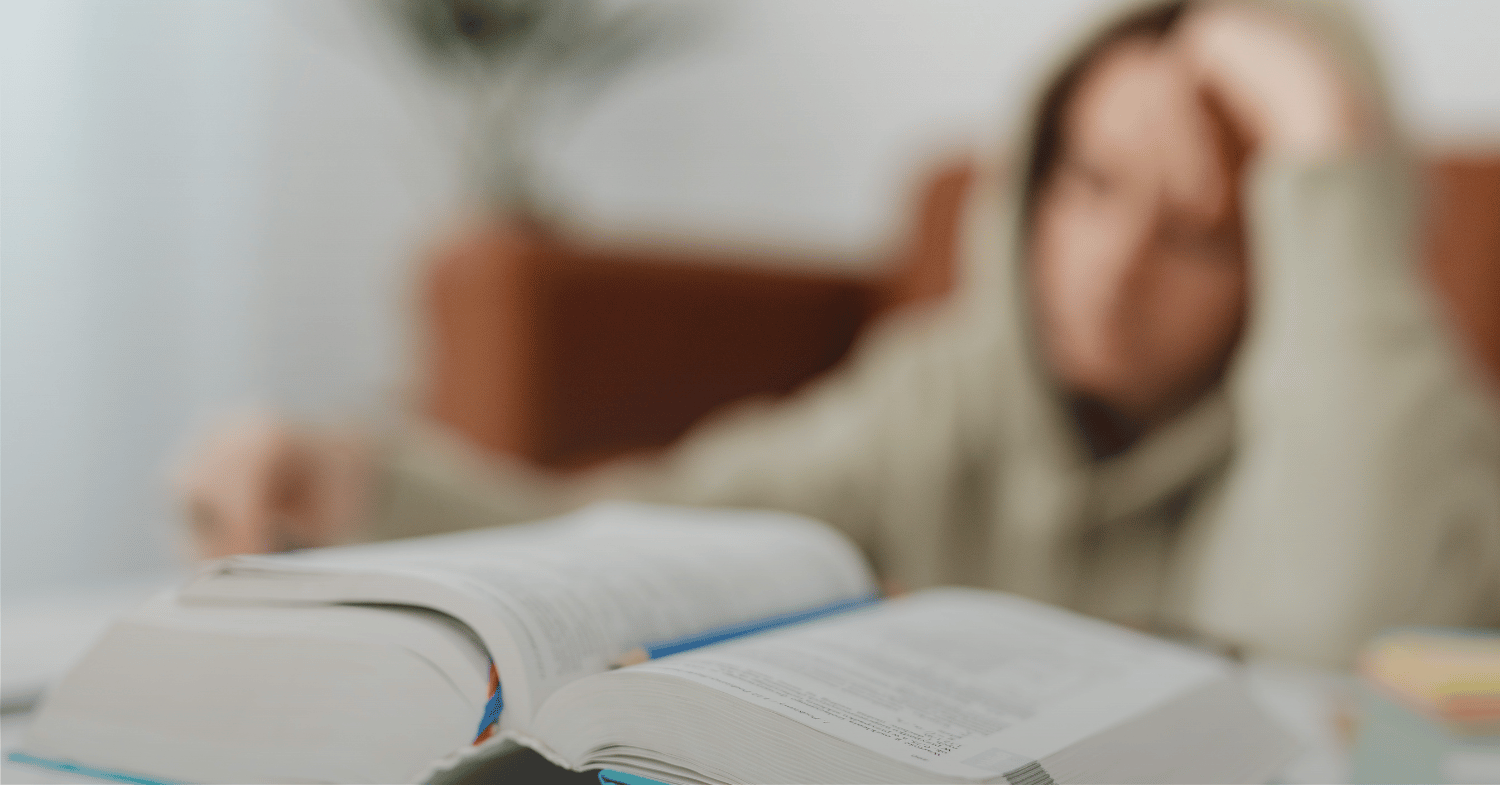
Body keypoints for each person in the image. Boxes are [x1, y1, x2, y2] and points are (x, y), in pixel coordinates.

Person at [179, 0, 1500, 667]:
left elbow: (1342, 645)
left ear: (1298, 249)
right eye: (1088, 185)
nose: (1111, 263)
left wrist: (1324, 148)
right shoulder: (946, 397)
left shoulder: (1404, 429)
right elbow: (667, 524)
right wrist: (361, 485)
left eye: (1197, 226)